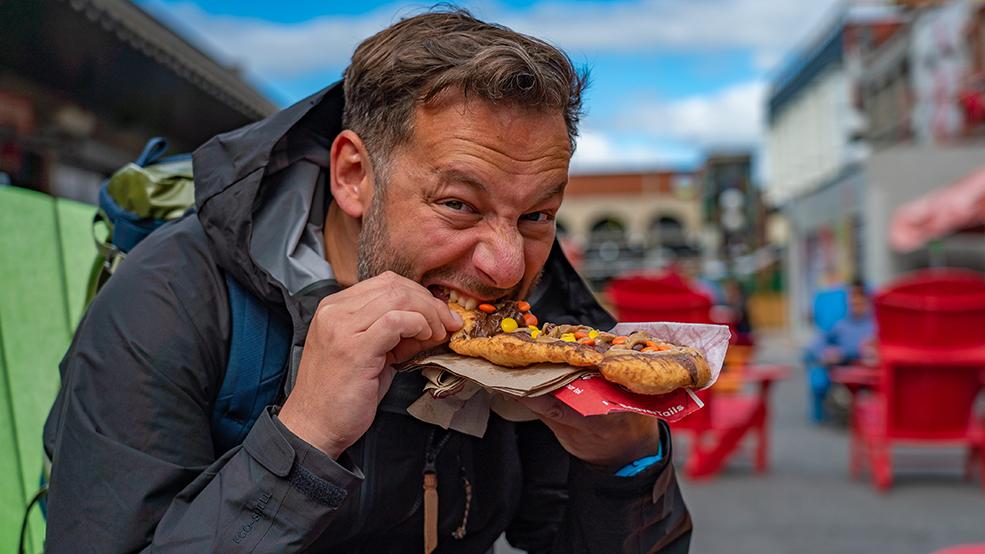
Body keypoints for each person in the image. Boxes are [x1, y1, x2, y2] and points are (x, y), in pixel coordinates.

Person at [43, 10, 692, 553]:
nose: (504, 265)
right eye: (458, 205)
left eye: (536, 214)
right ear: (354, 175)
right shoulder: (169, 303)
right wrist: (301, 442)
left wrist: (627, 464)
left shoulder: (542, 315)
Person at [804, 279, 877, 421]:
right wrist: (824, 353)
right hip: (842, 367)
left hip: (868, 369)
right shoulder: (841, 324)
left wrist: (845, 352)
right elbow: (818, 343)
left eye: (860, 299)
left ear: (867, 301)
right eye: (852, 298)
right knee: (819, 376)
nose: (855, 302)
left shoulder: (875, 325)